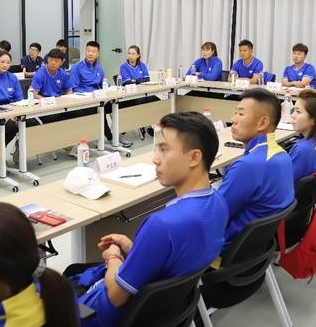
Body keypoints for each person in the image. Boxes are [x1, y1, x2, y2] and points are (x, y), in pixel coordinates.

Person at [69, 112, 228, 326]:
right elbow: (176, 260)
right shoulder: (219, 203)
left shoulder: (162, 224)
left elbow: (116, 296)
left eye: (164, 149)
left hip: (102, 316)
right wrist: (136, 249)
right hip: (160, 313)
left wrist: (113, 256)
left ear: (194, 157)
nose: (155, 159)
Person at [217, 88, 294, 245]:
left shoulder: (247, 167)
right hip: (256, 248)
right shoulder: (282, 155)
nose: (233, 119)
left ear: (263, 123)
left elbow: (213, 216)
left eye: (241, 114)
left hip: (227, 247)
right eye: (235, 112)